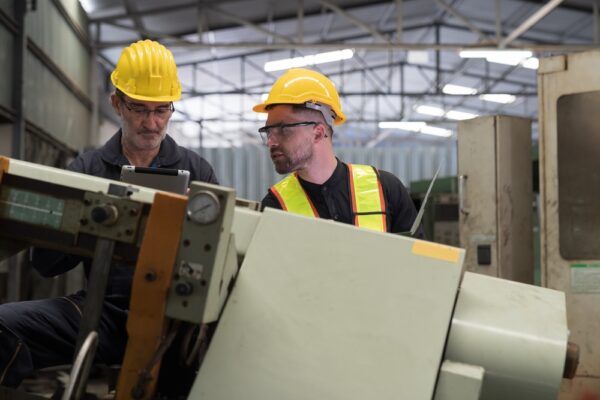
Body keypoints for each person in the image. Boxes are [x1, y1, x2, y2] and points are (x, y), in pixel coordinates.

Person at [0, 40, 218, 391]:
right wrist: (81, 219)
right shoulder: (87, 169)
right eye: (139, 109)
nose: (151, 123)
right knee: (4, 325)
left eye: (161, 110)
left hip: (176, 318)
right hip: (103, 312)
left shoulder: (197, 172)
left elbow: (214, 265)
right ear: (116, 103)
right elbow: (46, 264)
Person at [256, 68, 421, 235]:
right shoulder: (275, 206)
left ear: (318, 133)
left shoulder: (385, 189)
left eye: (283, 130)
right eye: (268, 132)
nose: (271, 142)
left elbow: (419, 258)